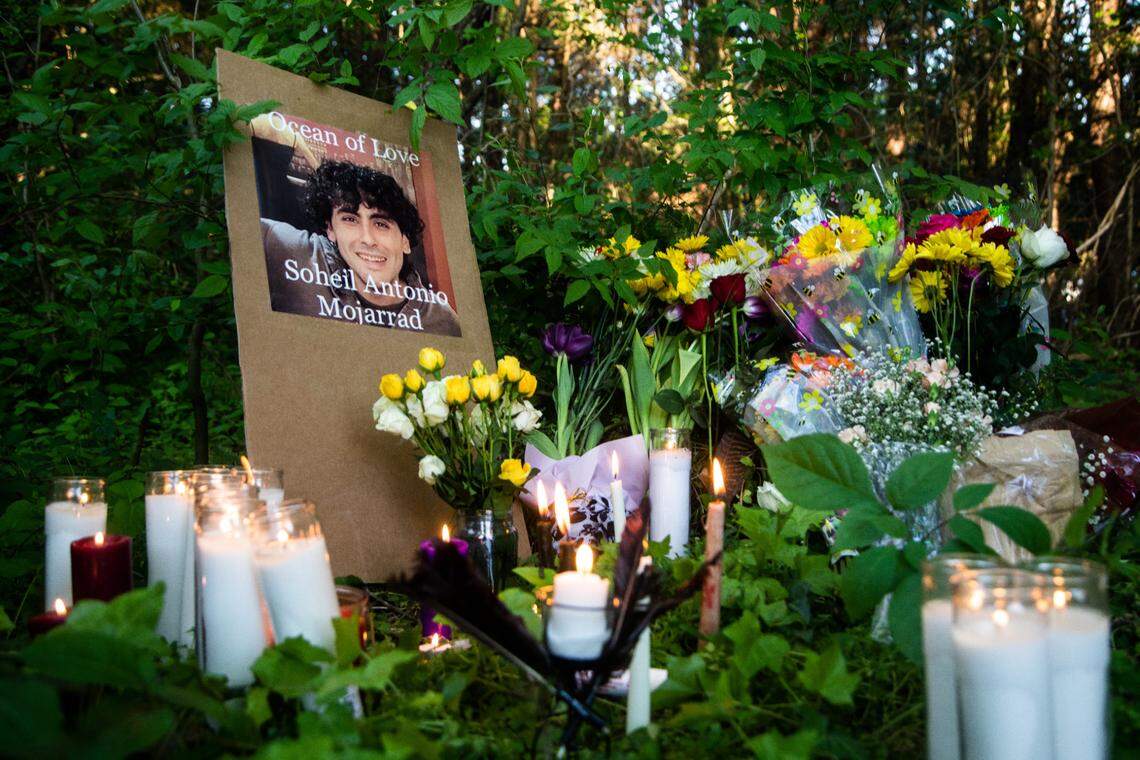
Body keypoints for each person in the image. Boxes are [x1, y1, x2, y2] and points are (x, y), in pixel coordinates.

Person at [259, 158, 461, 337]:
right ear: (331, 230)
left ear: (405, 241)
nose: (367, 239)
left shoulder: (442, 320)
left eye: (381, 224)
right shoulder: (294, 252)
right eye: (350, 219)